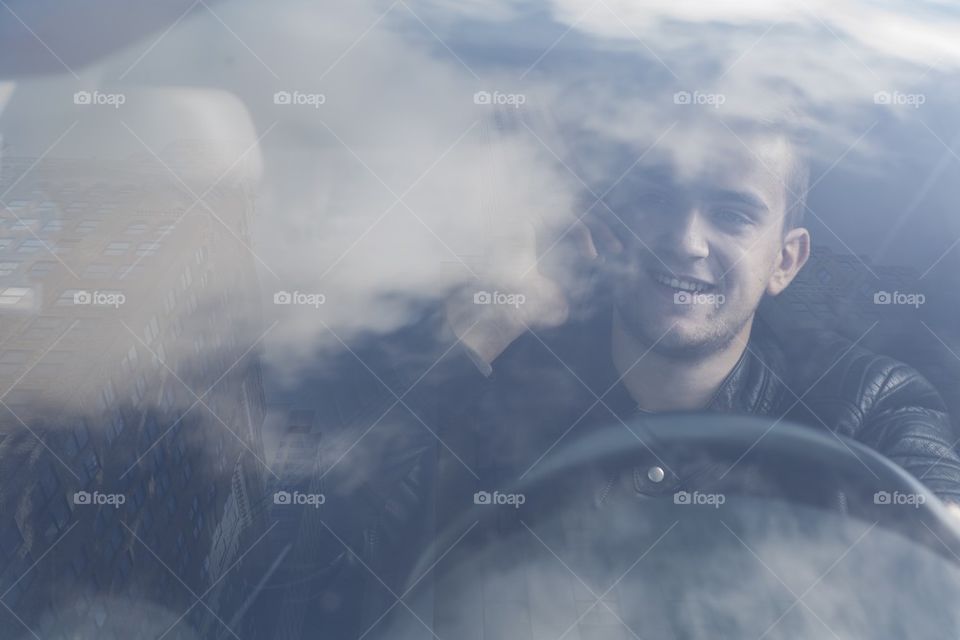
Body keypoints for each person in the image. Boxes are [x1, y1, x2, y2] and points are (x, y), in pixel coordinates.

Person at [313, 114, 960, 637]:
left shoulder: (868, 402)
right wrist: (476, 332)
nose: (684, 240)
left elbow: (945, 546)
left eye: (731, 214)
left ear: (785, 261)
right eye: (658, 201)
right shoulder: (493, 388)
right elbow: (322, 574)